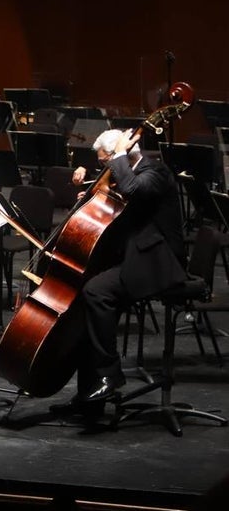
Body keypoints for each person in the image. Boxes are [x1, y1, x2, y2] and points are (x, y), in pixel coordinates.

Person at [52, 128, 187, 417]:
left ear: (122, 155)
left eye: (106, 162)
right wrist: (93, 194)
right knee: (87, 295)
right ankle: (90, 396)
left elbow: (134, 190)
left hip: (157, 262)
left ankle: (110, 375)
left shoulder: (155, 172)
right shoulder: (125, 172)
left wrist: (119, 158)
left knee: (97, 291)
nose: (105, 169)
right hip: (132, 255)